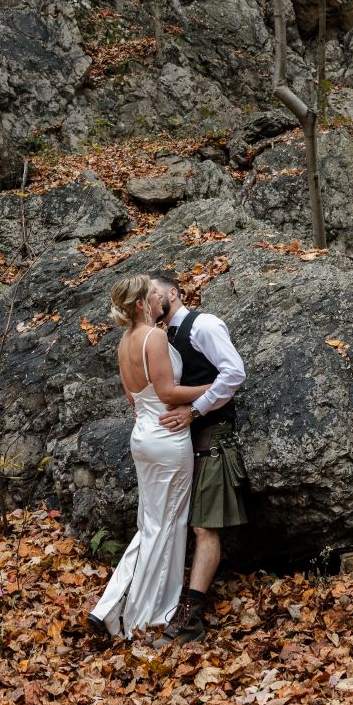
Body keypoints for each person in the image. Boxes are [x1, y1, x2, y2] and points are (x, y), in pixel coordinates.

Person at [87, 275, 212, 641]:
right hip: (168, 436)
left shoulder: (124, 343)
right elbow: (168, 392)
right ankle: (148, 617)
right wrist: (216, 386)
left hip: (142, 433)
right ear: (142, 304)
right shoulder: (154, 337)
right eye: (154, 294)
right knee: (170, 524)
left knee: (151, 523)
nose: (161, 297)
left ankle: (108, 607)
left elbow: (133, 399)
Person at [149, 272, 249, 645]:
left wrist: (195, 410)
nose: (148, 299)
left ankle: (192, 619)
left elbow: (234, 372)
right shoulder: (159, 336)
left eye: (153, 292)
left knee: (204, 528)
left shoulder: (202, 324)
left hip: (212, 437)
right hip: (179, 445)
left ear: (173, 293)